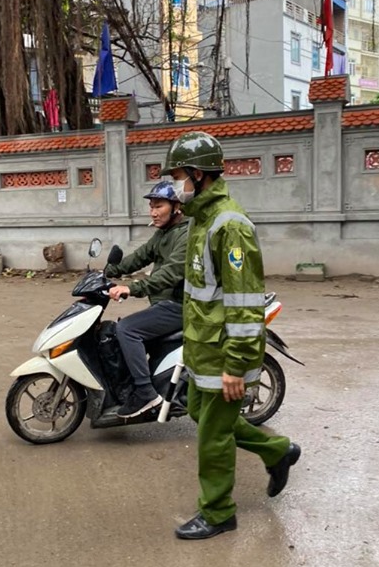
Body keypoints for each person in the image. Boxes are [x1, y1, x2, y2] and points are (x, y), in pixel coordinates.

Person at [161, 130, 301, 540]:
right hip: (203, 350)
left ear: (200, 175)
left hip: (225, 355)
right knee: (203, 417)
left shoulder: (229, 226)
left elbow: (243, 301)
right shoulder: (201, 222)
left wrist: (237, 366)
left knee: (213, 438)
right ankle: (278, 451)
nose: (176, 186)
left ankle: (219, 511)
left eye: (180, 176)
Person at [103, 181, 189, 417]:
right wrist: (110, 270)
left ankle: (145, 394)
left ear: (176, 207)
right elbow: (141, 256)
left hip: (181, 305)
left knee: (127, 329)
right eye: (151, 206)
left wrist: (132, 288)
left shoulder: (186, 234)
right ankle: (135, 386)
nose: (153, 211)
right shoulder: (164, 233)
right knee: (116, 335)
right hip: (165, 304)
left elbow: (170, 273)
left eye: (159, 206)